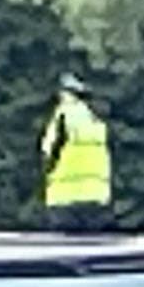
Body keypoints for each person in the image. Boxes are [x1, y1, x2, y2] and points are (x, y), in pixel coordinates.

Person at [40, 73, 111, 219]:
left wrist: (47, 171)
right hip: (96, 195)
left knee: (65, 241)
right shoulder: (96, 117)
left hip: (64, 197)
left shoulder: (63, 115)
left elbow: (48, 150)